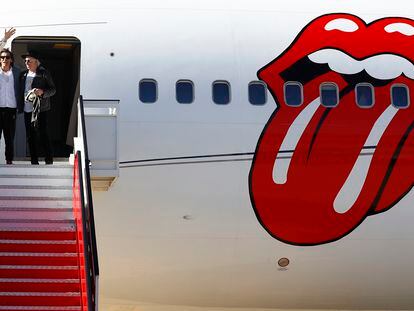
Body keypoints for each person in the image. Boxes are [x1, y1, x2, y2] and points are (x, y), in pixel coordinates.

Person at [19, 50, 56, 165]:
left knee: (43, 133)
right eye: (25, 61)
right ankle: (33, 160)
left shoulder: (44, 73)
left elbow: (53, 90)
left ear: (36, 62)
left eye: (29, 61)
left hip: (41, 109)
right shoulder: (23, 75)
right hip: (27, 109)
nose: (26, 63)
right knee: (30, 135)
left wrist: (42, 92)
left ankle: (49, 159)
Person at [0, 28, 20, 164]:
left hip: (11, 109)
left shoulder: (18, 72)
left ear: (11, 60)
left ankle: (9, 161)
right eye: (2, 57)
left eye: (7, 57)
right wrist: (5, 39)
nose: (4, 59)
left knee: (9, 137)